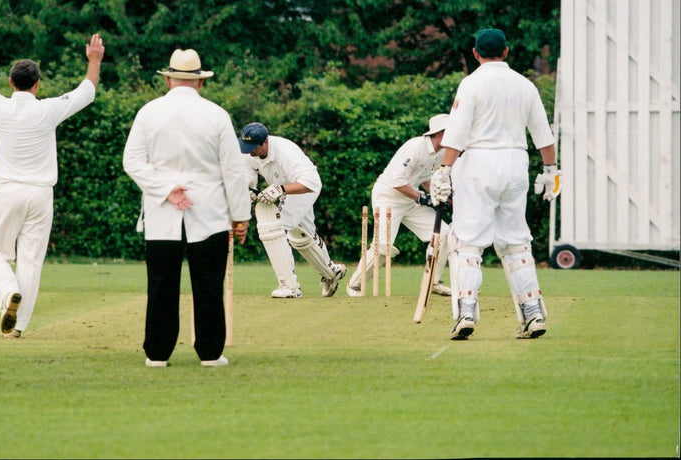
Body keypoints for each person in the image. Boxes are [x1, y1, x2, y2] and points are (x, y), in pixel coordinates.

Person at [0, 30, 104, 338]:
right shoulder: (47, 108)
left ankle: (8, 294)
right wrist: (94, 60)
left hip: (8, 190)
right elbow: (87, 91)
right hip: (41, 195)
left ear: (11, 83)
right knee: (30, 260)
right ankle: (18, 326)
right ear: (37, 84)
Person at [430, 28, 561, 341]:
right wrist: (551, 171)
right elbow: (543, 135)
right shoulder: (525, 85)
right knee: (516, 241)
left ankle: (465, 311)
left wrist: (444, 169)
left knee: (468, 242)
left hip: (478, 165)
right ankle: (532, 313)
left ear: (476, 54)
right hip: (516, 165)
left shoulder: (471, 83)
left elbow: (457, 133)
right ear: (506, 51)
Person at [123, 48, 251, 368]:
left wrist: (166, 190)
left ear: (168, 79)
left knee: (162, 284)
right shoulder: (217, 114)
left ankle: (157, 353)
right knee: (209, 284)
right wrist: (241, 217)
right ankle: (210, 353)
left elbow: (132, 162)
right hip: (209, 212)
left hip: (162, 213)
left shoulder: (149, 112)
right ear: (200, 82)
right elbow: (233, 170)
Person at [345, 114, 453, 298]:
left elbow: (425, 178)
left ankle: (433, 282)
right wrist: (423, 198)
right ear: (439, 133)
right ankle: (355, 285)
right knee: (382, 246)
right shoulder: (414, 147)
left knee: (444, 234)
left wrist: (438, 196)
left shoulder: (440, 152)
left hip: (409, 199)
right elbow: (396, 182)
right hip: (388, 197)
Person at [239, 122, 346, 298]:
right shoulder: (248, 151)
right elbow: (246, 169)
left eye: (253, 147)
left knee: (273, 224)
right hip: (283, 189)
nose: (249, 151)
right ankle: (332, 273)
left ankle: (289, 286)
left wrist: (281, 189)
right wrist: (249, 188)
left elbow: (311, 182)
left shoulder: (286, 152)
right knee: (301, 237)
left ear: (265, 142)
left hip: (302, 188)